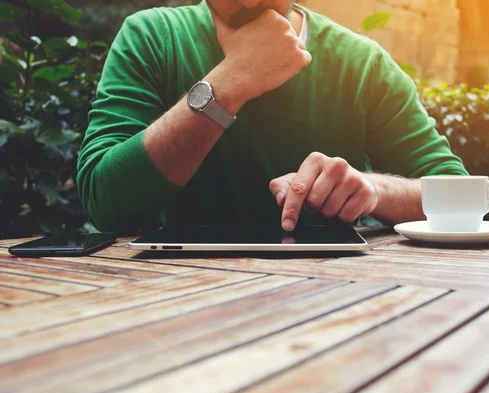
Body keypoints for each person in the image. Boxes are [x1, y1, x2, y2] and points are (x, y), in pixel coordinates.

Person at [77, 0, 468, 233]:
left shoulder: (363, 64)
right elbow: (104, 201)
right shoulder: (152, 36)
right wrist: (231, 82)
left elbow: (461, 199)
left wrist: (374, 189)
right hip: (171, 299)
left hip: (336, 295)